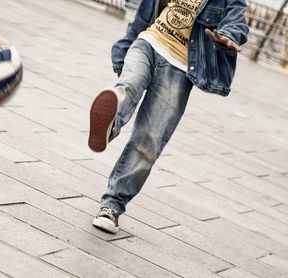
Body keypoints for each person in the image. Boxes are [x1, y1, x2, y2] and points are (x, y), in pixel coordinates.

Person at [89, 0, 249, 233]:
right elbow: (143, 15)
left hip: (180, 68)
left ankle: (112, 205)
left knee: (149, 141)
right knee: (129, 85)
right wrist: (124, 48)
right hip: (148, 43)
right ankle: (108, 126)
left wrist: (228, 36)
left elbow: (237, 21)